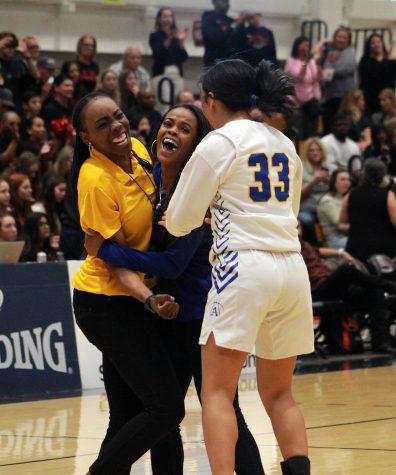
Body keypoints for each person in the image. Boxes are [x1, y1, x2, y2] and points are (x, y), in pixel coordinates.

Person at [84, 104, 265, 475]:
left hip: (202, 319)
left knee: (225, 409)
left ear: (195, 146)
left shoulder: (196, 192)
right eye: (169, 123)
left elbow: (173, 264)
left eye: (185, 129)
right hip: (165, 315)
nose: (173, 131)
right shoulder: (149, 177)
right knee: (163, 418)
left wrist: (106, 249)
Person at [163, 59, 314, 475]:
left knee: (215, 393)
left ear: (210, 100)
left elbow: (179, 221)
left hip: (243, 267)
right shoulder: (284, 143)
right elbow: (290, 211)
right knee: (280, 393)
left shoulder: (220, 142)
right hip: (291, 267)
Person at [70, 91, 184, 475]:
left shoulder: (138, 148)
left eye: (117, 116)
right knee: (166, 407)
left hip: (134, 297)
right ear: (87, 137)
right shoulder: (95, 179)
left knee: (130, 416)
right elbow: (115, 262)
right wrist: (150, 300)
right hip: (106, 303)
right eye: (102, 124)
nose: (117, 126)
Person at [299, 222, 396, 354]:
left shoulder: (307, 246)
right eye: (295, 228)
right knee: (346, 270)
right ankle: (390, 286)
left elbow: (330, 252)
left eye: (299, 228)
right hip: (318, 289)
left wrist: (343, 253)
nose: (298, 232)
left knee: (375, 291)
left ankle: (380, 341)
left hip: (334, 288)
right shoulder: (290, 250)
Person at [341, 158, 396, 262]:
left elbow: (343, 219)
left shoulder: (351, 193)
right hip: (382, 249)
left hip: (356, 246)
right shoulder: (387, 195)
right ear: (382, 176)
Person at [318, 27, 356, 134]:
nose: (341, 39)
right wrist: (331, 72)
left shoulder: (350, 52)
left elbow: (346, 69)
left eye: (344, 38)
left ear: (348, 40)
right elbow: (326, 68)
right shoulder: (331, 52)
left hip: (344, 95)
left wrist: (330, 72)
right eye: (339, 37)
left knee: (342, 123)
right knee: (328, 123)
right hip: (329, 94)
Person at [284, 36, 322, 140]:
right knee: (298, 128)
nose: (307, 47)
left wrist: (317, 64)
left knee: (312, 126)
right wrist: (305, 62)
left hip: (311, 98)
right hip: (296, 100)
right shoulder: (291, 61)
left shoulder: (312, 62)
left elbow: (319, 77)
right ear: (297, 47)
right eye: (304, 45)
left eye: (308, 45)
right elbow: (299, 76)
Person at [299, 138, 329, 244]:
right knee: (306, 220)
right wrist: (314, 181)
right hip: (308, 208)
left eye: (318, 150)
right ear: (307, 152)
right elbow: (298, 195)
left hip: (326, 207)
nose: (315, 153)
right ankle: (313, 248)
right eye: (311, 150)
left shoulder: (329, 167)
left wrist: (329, 181)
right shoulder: (301, 167)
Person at [358, 33, 396, 115]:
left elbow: (392, 76)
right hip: (371, 100)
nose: (376, 44)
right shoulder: (365, 60)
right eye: (373, 43)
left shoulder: (389, 60)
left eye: (378, 42)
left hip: (387, 100)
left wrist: (389, 59)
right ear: (369, 46)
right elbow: (373, 75)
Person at [317, 169, 351, 249]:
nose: (347, 183)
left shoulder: (346, 198)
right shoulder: (327, 200)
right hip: (335, 239)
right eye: (342, 179)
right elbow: (341, 226)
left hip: (347, 236)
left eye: (348, 180)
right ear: (334, 182)